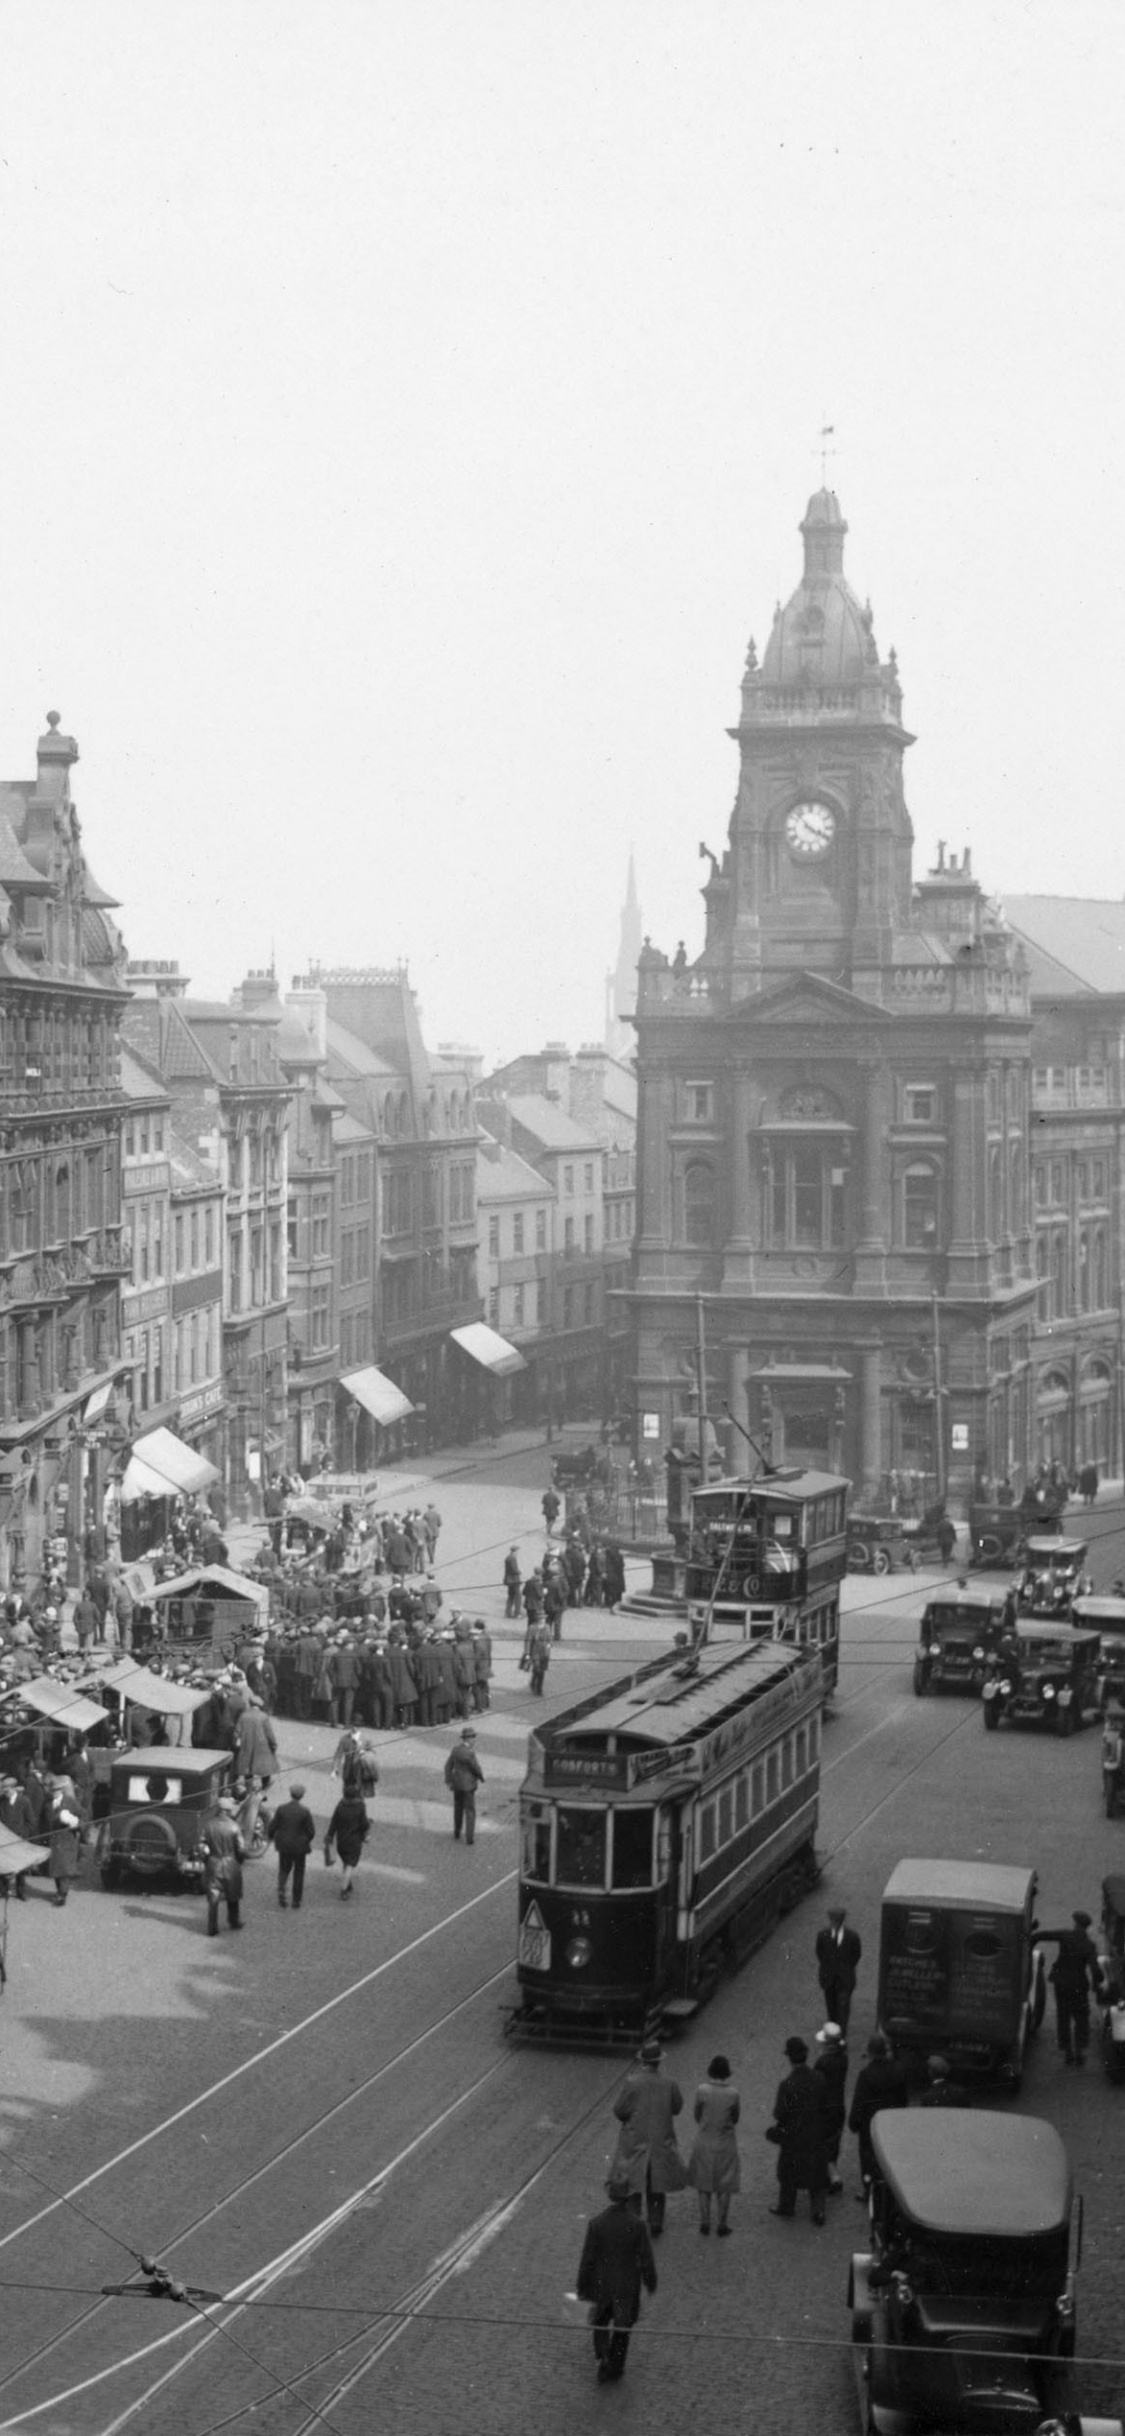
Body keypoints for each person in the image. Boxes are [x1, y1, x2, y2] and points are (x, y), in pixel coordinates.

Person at [575, 2174, 658, 2386]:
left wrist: (582, 2286)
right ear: (628, 2197)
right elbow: (646, 2258)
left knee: (601, 2322)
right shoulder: (637, 2225)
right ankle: (616, 2365)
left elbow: (588, 2259)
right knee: (623, 2327)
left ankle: (603, 2356)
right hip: (626, 2285)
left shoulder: (596, 2224)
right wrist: (651, 2282)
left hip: (601, 2284)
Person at [610, 2038, 687, 2236]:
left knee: (634, 2183)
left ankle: (634, 2220)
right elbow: (677, 2108)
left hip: (635, 2140)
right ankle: (656, 2221)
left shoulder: (632, 2082)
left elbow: (619, 2110)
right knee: (657, 2183)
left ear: (642, 2060)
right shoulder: (669, 2083)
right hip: (660, 2141)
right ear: (659, 2061)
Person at [768, 2036, 830, 2224]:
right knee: (817, 2174)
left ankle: (786, 2206)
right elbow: (826, 2107)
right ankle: (818, 2211)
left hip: (794, 2135)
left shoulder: (787, 2085)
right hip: (816, 2134)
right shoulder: (819, 2079)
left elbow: (779, 2113)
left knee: (788, 2173)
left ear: (790, 2058)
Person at [847, 2030, 909, 2198]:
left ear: (871, 2052)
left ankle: (870, 2190)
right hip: (892, 2120)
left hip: (871, 2122)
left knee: (869, 2158)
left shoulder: (866, 2075)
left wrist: (854, 2122)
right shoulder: (898, 2070)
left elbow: (859, 2101)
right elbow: (903, 2097)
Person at [687, 2053, 741, 2236]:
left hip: (704, 2141)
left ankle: (705, 2222)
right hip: (725, 2143)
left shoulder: (702, 2090)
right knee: (724, 2184)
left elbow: (697, 2114)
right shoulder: (733, 2094)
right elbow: (735, 2118)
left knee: (704, 2184)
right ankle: (722, 2225)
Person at [1041, 1909, 1103, 2066]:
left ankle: (1068, 2053)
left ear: (1075, 1923)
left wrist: (1030, 1938)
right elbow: (1095, 1969)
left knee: (1063, 2017)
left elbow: (1045, 1935)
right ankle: (1079, 2053)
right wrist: (1098, 1982)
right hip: (1079, 1986)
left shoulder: (1065, 1935)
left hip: (1061, 1983)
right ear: (1086, 1927)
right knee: (1081, 2018)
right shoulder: (1089, 1945)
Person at [268, 1780, 317, 1910]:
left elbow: (273, 1826)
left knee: (284, 1868)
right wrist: (306, 1840)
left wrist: (271, 1836)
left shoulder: (281, 1809)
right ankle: (296, 1900)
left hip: (284, 1845)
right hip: (300, 1847)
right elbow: (311, 1832)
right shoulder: (305, 1811)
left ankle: (281, 1889)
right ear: (302, 1796)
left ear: (290, 1794)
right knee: (299, 1872)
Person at [201, 1794, 245, 1935]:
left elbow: (201, 1846)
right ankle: (234, 1921)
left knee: (213, 1896)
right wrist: (239, 1861)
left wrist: (206, 1859)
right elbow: (241, 1849)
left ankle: (212, 1927)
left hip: (213, 1862)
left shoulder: (208, 1825)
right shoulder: (234, 1827)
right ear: (227, 1811)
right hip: (231, 1863)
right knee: (233, 1894)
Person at [815, 1904, 862, 2033]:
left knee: (843, 2006)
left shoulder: (852, 1937)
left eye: (837, 1921)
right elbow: (820, 1953)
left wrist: (846, 1968)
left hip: (845, 1979)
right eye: (833, 1921)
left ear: (842, 1921)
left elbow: (856, 1955)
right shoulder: (822, 1935)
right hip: (828, 1979)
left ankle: (841, 2034)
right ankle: (832, 2030)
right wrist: (828, 1968)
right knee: (831, 2007)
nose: (835, 1924)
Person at [813, 2022, 849, 2193]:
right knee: (833, 2143)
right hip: (838, 2106)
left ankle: (833, 2177)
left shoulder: (822, 2062)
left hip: (825, 2108)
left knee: (823, 2143)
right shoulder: (843, 2059)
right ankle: (832, 2174)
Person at [324, 1788, 371, 1899]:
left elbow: (333, 1823)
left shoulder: (340, 1806)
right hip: (354, 1841)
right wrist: (367, 1831)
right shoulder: (360, 1807)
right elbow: (364, 1824)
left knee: (346, 1863)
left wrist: (330, 1836)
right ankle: (343, 1890)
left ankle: (348, 1883)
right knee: (350, 1865)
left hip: (341, 1841)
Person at [443, 1726, 484, 1844]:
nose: (474, 1741)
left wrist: (449, 1781)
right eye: (473, 1738)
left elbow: (448, 1766)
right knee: (470, 1811)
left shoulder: (456, 1750)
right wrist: (481, 1777)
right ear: (469, 1739)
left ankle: (457, 1832)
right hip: (468, 1786)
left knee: (458, 1809)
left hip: (457, 1785)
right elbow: (475, 1768)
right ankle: (469, 1838)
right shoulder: (470, 1753)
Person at [46, 1786, 83, 1908]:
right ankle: (59, 1891)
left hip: (67, 1839)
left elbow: (83, 1815)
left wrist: (75, 1823)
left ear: (61, 1790)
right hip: (54, 1841)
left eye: (56, 1790)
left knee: (64, 1869)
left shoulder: (70, 1801)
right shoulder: (49, 1803)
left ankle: (62, 1895)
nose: (53, 1793)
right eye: (52, 1790)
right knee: (56, 1869)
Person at [528, 1618, 551, 1695]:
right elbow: (529, 1641)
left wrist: (549, 1645)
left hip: (545, 1653)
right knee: (538, 1670)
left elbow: (550, 1639)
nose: (542, 1620)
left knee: (541, 1671)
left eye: (543, 1618)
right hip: (535, 1652)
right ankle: (538, 1689)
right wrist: (528, 1653)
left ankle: (534, 1683)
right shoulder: (533, 1628)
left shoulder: (547, 1627)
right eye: (540, 1618)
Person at [502, 1548, 522, 1618]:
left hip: (509, 1580)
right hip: (514, 1580)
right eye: (517, 1551)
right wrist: (520, 1571)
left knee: (510, 1596)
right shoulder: (513, 1558)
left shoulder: (507, 1557)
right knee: (518, 1597)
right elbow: (514, 1570)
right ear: (515, 1551)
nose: (517, 1553)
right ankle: (517, 1613)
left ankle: (507, 1612)